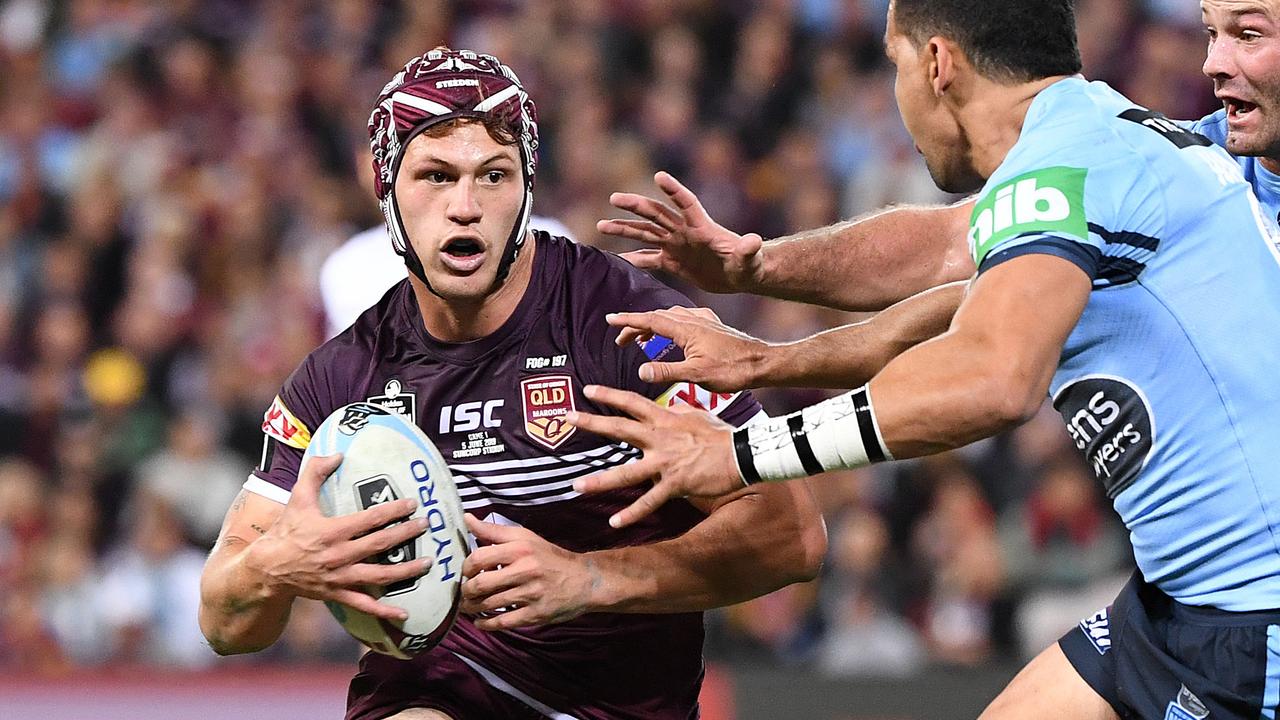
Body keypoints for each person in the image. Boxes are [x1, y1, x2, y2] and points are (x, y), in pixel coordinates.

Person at [570, 1, 1280, 718]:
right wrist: (758, 298)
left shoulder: (1070, 164)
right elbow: (942, 255)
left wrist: (743, 454)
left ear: (938, 64)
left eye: (895, 62)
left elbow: (992, 379)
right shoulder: (1101, 139)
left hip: (1252, 620)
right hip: (1178, 603)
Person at [197, 48, 826, 720]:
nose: (464, 207)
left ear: (527, 190)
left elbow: (793, 536)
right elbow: (225, 624)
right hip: (432, 694)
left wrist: (589, 579)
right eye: (435, 176)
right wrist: (277, 566)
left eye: (492, 176)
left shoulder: (630, 329)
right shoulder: (340, 380)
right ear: (386, 191)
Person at [599, 0, 1280, 315]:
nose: (1212, 64)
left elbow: (997, 382)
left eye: (1248, 34)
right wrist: (760, 265)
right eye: (1210, 32)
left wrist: (758, 450)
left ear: (937, 64)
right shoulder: (1181, 159)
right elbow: (950, 243)